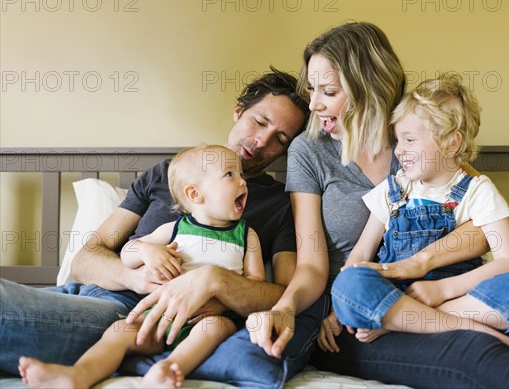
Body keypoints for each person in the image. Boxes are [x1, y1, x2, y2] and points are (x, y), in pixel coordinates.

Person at [244, 22, 509, 388]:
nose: (314, 104)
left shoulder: (418, 136)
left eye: (329, 91)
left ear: (370, 87)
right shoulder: (311, 150)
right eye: (313, 89)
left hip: (454, 293)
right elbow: (313, 264)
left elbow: (495, 223)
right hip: (372, 310)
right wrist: (285, 308)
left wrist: (421, 266)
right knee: (475, 354)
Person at [0, 68, 330, 388]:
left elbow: (286, 295)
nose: (261, 142)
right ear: (238, 110)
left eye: (280, 139)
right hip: (112, 301)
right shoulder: (169, 173)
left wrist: (218, 283)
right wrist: (137, 277)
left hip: (163, 321)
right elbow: (85, 258)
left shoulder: (279, 205)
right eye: (259, 122)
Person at [331, 73, 509, 351]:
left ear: (452, 143)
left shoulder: (478, 191)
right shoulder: (392, 190)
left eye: (410, 140)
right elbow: (360, 253)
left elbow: (508, 261)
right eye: (398, 141)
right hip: (397, 295)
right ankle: (414, 318)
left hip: (457, 297)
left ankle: (405, 322)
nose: (399, 151)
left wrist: (440, 291)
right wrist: (339, 302)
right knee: (348, 284)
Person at [18, 145, 265, 388]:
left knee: (218, 327)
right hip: (160, 316)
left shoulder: (246, 235)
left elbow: (256, 285)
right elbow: (128, 253)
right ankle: (77, 376)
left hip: (209, 319)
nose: (243, 182)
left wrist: (223, 301)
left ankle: (167, 369)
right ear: (194, 194)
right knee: (120, 329)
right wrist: (147, 251)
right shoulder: (174, 229)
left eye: (241, 175)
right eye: (230, 175)